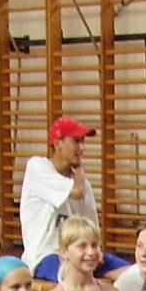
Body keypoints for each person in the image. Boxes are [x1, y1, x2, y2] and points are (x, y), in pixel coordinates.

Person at [19, 116, 127, 280]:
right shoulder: (38, 167)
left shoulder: (83, 184)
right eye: (76, 141)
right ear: (57, 143)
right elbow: (76, 192)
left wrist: (96, 250)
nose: (82, 148)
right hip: (46, 255)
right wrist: (80, 172)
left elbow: (91, 225)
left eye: (83, 142)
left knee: (132, 274)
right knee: (74, 279)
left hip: (80, 253)